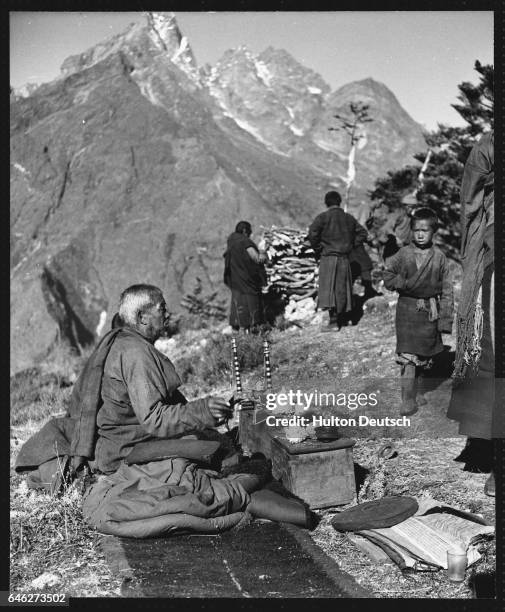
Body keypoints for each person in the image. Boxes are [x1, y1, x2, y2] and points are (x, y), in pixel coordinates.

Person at [67, 284, 315, 535]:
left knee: (216, 447)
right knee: (217, 469)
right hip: (129, 450)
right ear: (142, 317)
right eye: (161, 309)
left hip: (118, 442)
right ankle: (257, 500)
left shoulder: (125, 342)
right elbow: (155, 419)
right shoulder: (135, 354)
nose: (167, 314)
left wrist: (207, 411)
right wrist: (202, 411)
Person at [447, 131, 496, 495]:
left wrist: (472, 240)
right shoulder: (487, 146)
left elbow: (469, 202)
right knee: (488, 349)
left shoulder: (487, 144)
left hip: (491, 241)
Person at [383, 208, 454, 416]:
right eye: (416, 230)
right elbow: (387, 274)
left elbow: (448, 290)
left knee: (425, 354)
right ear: (411, 231)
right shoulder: (403, 254)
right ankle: (407, 399)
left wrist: (444, 320)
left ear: (434, 232)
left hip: (429, 312)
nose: (420, 234)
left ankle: (418, 391)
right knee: (408, 355)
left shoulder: (440, 257)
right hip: (406, 310)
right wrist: (402, 283)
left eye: (425, 230)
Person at [307, 190, 368, 330]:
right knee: (342, 289)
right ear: (339, 202)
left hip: (328, 258)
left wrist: (318, 249)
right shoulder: (349, 218)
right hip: (344, 259)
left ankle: (334, 322)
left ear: (326, 203)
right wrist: (351, 245)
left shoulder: (323, 218)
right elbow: (363, 233)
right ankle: (345, 320)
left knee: (330, 290)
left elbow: (312, 234)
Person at [223, 221, 267, 333]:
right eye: (249, 232)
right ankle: (254, 325)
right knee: (251, 299)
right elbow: (256, 258)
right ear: (244, 231)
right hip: (247, 279)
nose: (251, 234)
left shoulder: (232, 240)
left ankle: (237, 325)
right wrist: (263, 253)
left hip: (235, 278)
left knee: (238, 300)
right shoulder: (244, 241)